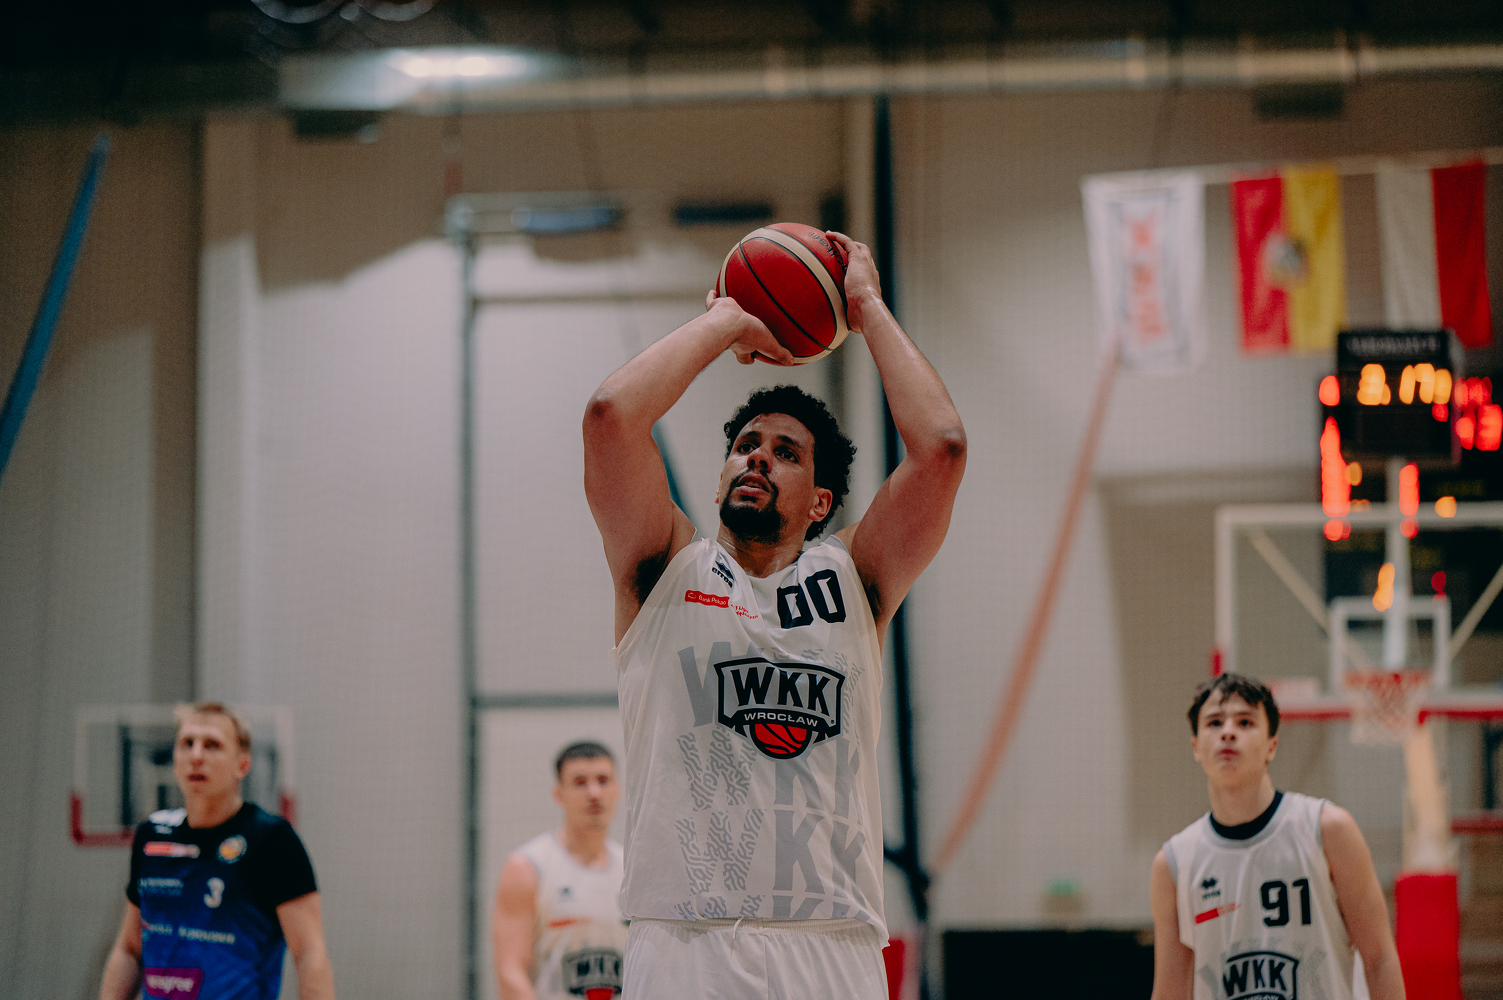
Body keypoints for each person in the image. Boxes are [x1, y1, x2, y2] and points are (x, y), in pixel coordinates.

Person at [582, 231, 966, 997]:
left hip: (830, 944)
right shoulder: (663, 567)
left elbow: (941, 449)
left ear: (820, 503)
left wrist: (865, 306)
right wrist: (724, 320)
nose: (757, 456)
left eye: (785, 452)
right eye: (745, 445)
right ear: (721, 475)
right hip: (684, 941)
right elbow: (610, 416)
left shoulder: (855, 578)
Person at [1148, 673, 1405, 1000]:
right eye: (1214, 722)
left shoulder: (1328, 830)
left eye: (1245, 722)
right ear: (1196, 747)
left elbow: (1380, 960)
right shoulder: (1173, 865)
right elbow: (1170, 991)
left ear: (1272, 746)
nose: (1228, 732)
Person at [99, 702, 334, 1000]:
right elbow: (129, 948)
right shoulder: (151, 835)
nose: (196, 756)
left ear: (242, 765)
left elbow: (309, 953)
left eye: (212, 745)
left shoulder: (272, 840)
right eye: (187, 744)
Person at [491, 741, 627, 1000]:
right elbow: (510, 973)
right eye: (580, 782)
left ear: (618, 789)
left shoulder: (631, 870)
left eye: (603, 780)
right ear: (558, 794)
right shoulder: (527, 867)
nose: (594, 792)